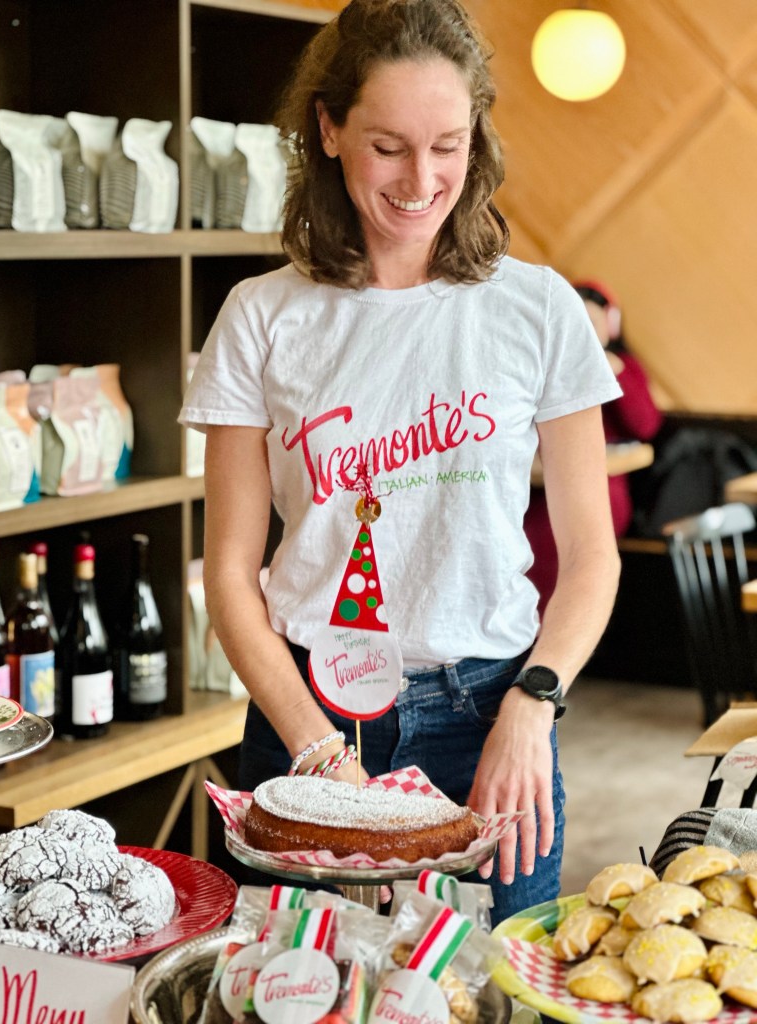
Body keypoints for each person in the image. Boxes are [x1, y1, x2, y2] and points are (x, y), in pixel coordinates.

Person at [179, 0, 621, 927]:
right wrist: (317, 753)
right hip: (308, 717)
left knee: (480, 982)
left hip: (491, 717)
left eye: (448, 145)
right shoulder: (261, 317)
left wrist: (534, 705)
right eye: (388, 147)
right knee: (300, 982)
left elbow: (591, 557)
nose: (422, 180)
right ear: (329, 130)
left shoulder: (539, 309)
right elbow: (229, 574)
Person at [525, 279, 663, 614]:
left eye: (592, 322)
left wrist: (611, 369)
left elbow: (646, 425)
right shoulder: (545, 367)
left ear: (611, 325)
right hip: (540, 489)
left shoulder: (620, 366)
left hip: (601, 489)